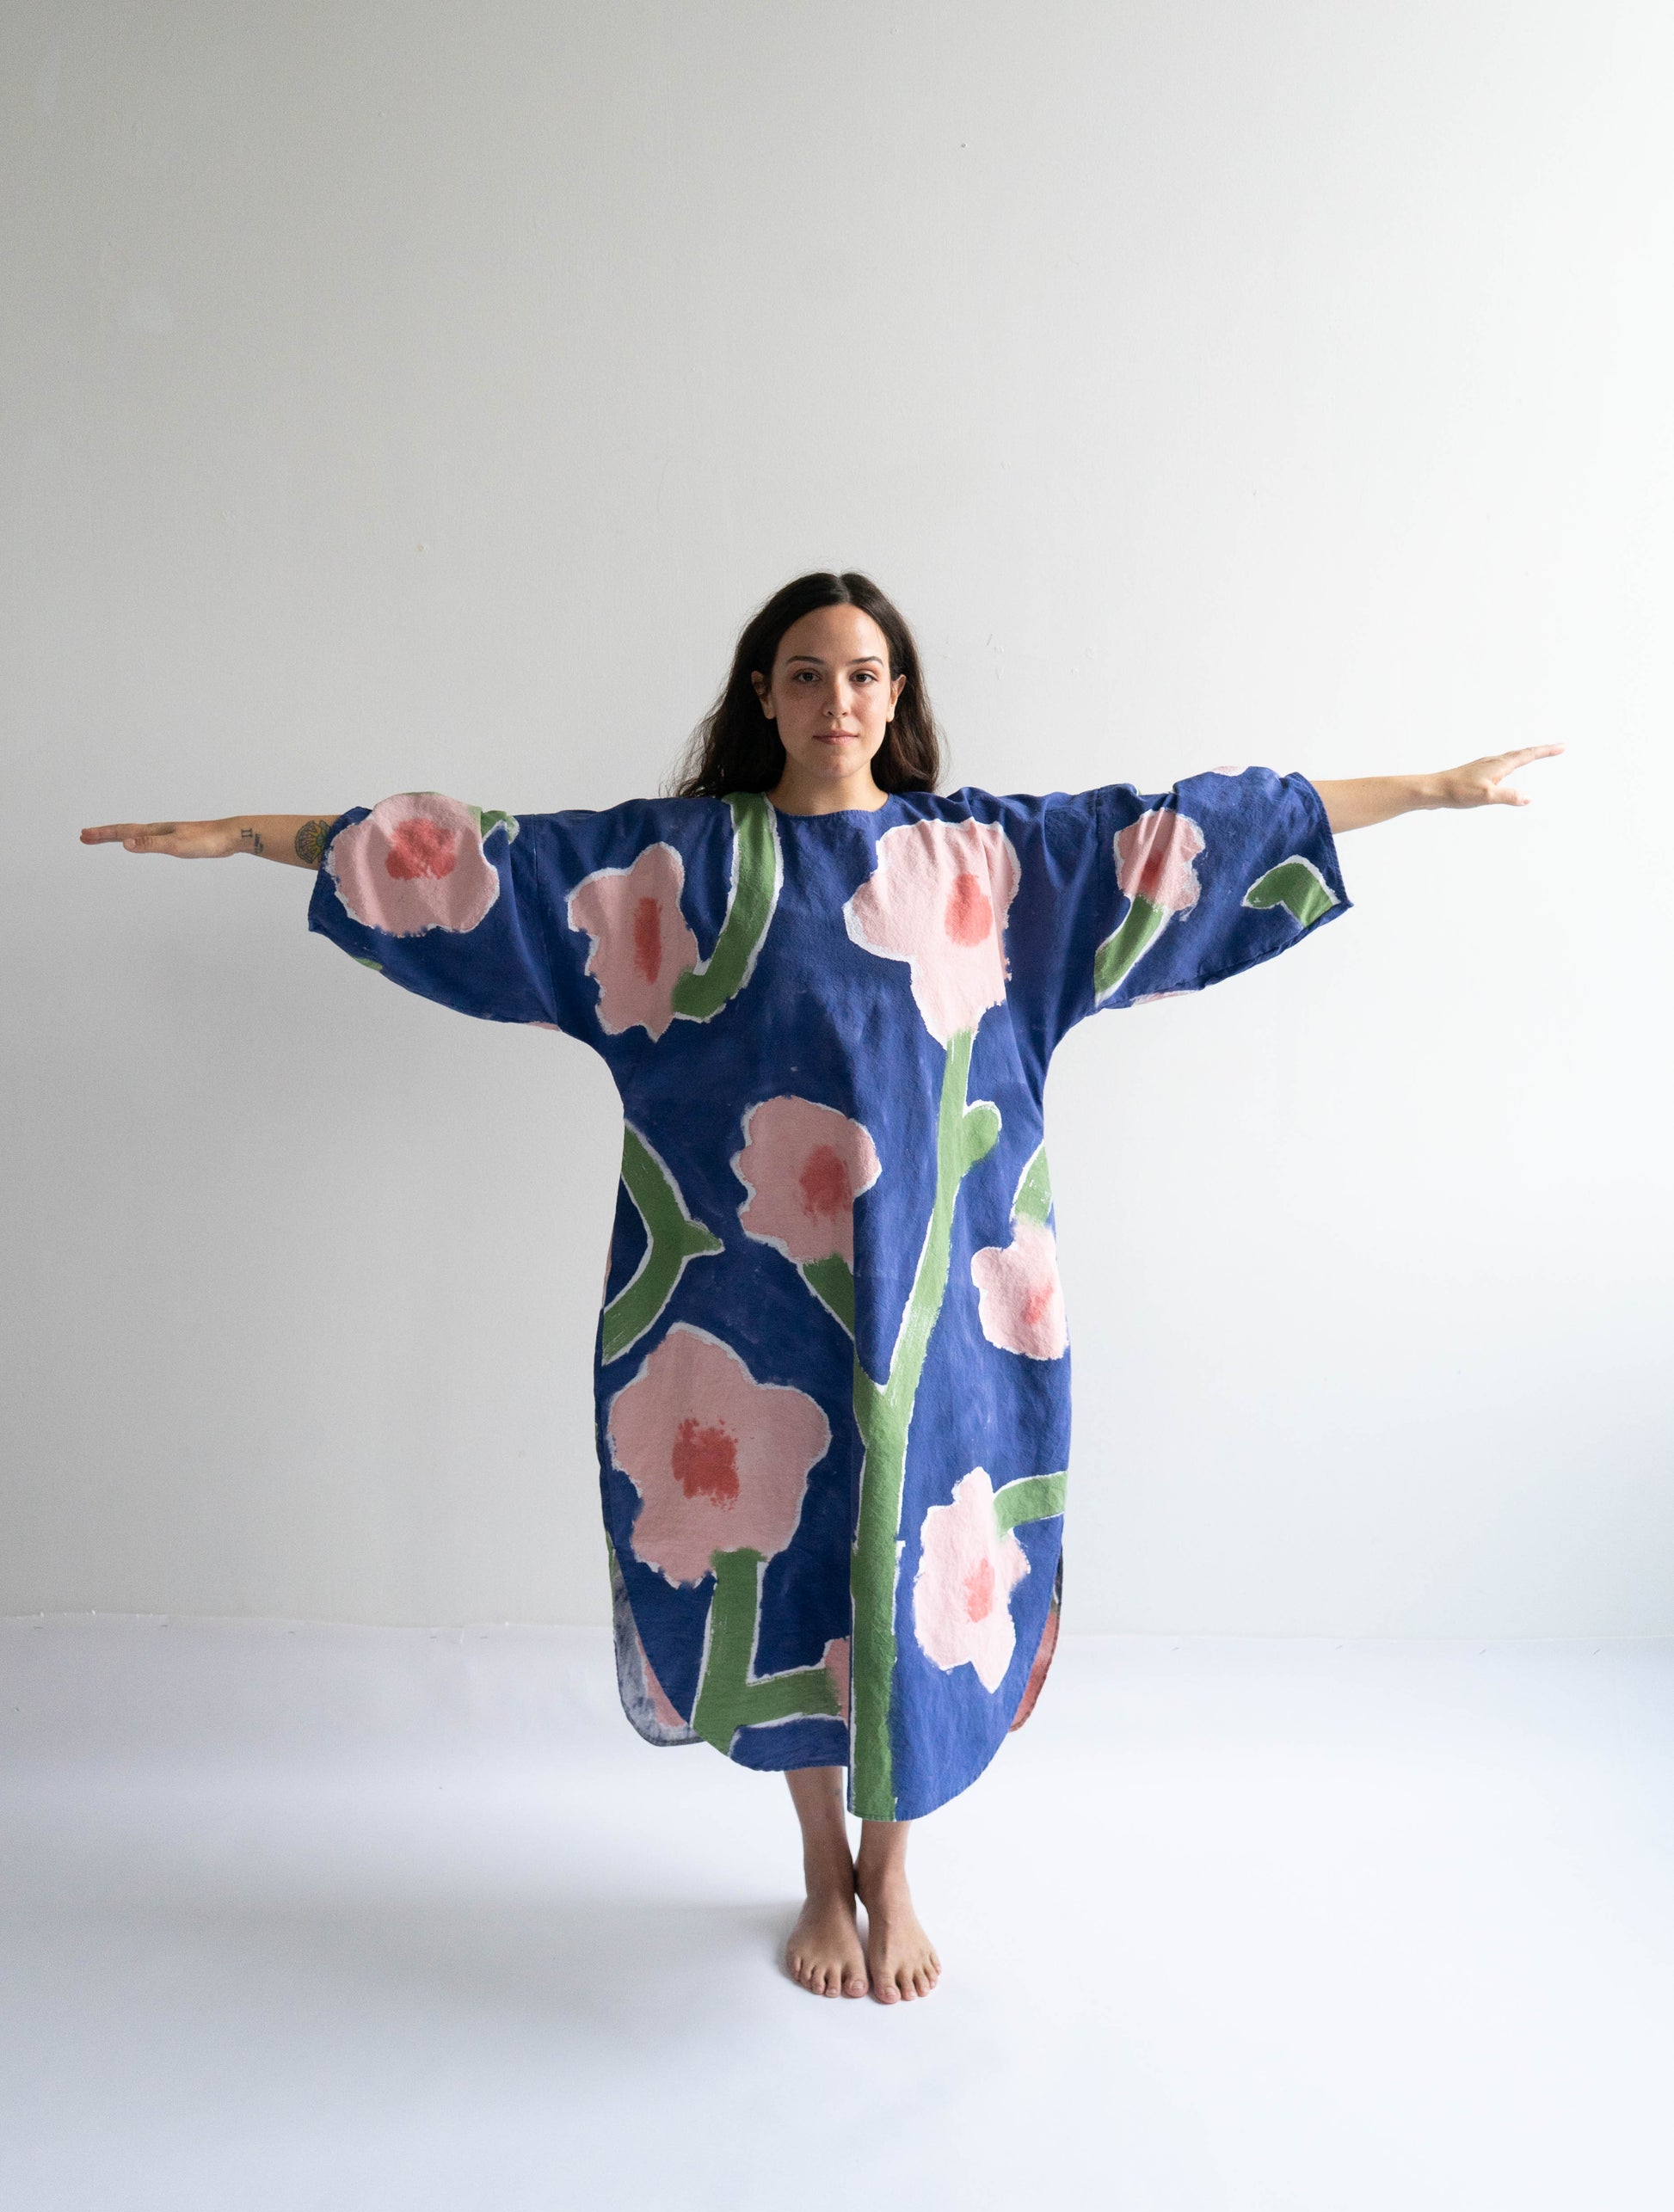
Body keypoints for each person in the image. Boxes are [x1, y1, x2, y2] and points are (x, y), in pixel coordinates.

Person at [82, 572, 1560, 2006]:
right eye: (806, 674)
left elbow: (1186, 834)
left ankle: (892, 1869)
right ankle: (814, 1863)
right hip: (745, 1298)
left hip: (942, 1292)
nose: (835, 699)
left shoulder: (989, 862)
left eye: (861, 674)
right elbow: (478, 861)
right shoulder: (679, 867)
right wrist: (254, 835)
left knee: (919, 1549)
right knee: (779, 1550)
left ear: (894, 695)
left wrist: (1426, 789)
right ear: (765, 695)